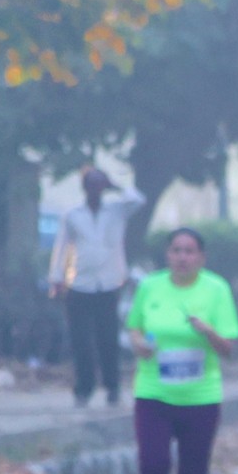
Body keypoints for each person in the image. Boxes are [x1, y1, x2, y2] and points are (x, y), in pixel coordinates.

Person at [126, 227, 238, 474]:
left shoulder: (216, 289)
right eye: (176, 250)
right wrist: (139, 345)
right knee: (153, 464)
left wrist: (207, 331)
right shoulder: (150, 287)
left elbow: (229, 348)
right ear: (167, 255)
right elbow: (134, 327)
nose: (182, 257)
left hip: (200, 397)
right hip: (153, 393)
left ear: (201, 258)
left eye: (190, 251)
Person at [48, 165, 145, 409]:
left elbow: (138, 200)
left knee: (108, 339)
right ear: (85, 187)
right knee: (81, 341)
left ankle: (112, 388)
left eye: (100, 183)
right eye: (92, 183)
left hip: (109, 283)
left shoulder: (117, 211)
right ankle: (84, 389)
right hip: (79, 283)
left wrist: (117, 186)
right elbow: (61, 247)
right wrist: (57, 278)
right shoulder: (73, 215)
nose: (96, 188)